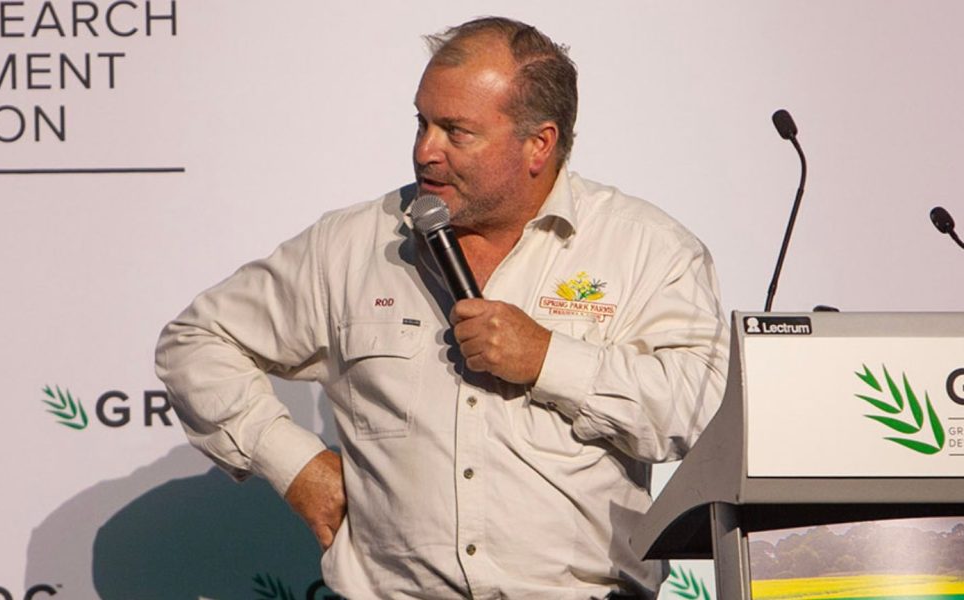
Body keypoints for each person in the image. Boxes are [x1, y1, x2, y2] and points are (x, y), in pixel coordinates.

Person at [156, 16, 729, 599]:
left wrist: (549, 360)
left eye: (457, 132)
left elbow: (702, 408)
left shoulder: (645, 248)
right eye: (422, 123)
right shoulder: (353, 244)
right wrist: (291, 462)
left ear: (539, 144)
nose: (426, 151)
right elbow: (196, 342)